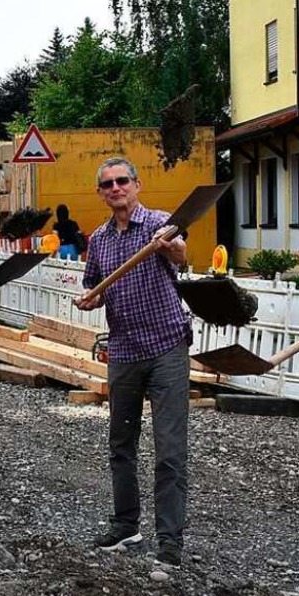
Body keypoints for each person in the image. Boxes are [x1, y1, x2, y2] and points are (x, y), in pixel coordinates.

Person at [74, 157, 190, 567]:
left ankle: (169, 540)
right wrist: (91, 298)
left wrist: (171, 246)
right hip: (122, 351)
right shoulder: (101, 239)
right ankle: (126, 524)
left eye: (123, 180)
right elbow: (94, 284)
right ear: (101, 193)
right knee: (121, 445)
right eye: (108, 184)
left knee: (169, 448)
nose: (116, 188)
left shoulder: (160, 225)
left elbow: (181, 256)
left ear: (137, 185)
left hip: (166, 348)